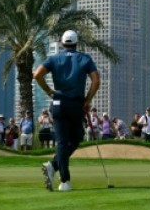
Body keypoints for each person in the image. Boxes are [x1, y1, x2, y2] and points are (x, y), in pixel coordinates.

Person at [34, 29, 101, 192]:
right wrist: (88, 100)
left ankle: (53, 165)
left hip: (58, 103)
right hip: (75, 104)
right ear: (77, 43)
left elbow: (37, 75)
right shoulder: (84, 59)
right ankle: (64, 180)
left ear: (62, 43)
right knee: (76, 137)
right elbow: (96, 80)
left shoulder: (54, 58)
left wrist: (49, 91)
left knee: (64, 142)